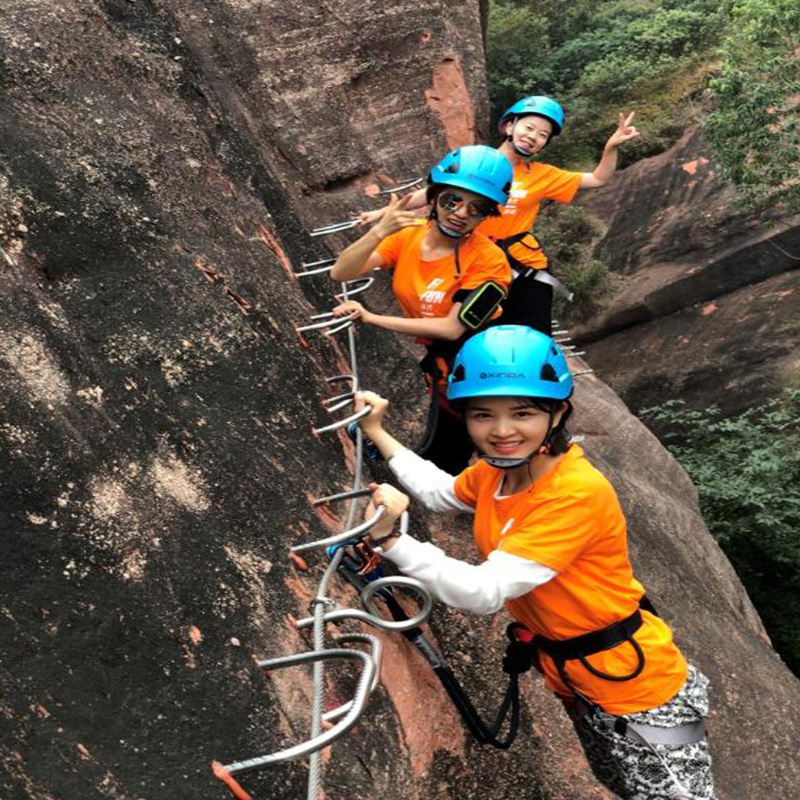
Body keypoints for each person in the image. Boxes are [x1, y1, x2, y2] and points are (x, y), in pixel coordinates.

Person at [353, 325, 717, 800]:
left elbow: (484, 593)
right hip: (579, 680)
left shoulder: (573, 493)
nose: (502, 432)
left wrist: (392, 541)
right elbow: (441, 493)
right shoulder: (496, 473)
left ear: (558, 411)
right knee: (620, 785)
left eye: (522, 412)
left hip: (641, 692)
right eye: (483, 414)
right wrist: (378, 432)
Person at [358, 97, 640, 334]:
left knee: (531, 337)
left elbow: (598, 179)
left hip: (522, 266)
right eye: (529, 127)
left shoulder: (543, 175)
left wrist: (611, 147)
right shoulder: (475, 161)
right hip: (473, 260)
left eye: (543, 135)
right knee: (477, 333)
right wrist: (382, 213)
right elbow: (433, 192)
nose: (533, 137)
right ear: (509, 125)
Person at [330, 145, 514, 473]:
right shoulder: (408, 236)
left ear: (488, 215)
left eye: (477, 208)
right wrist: (380, 231)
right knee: (448, 442)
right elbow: (341, 271)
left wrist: (371, 318)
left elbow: (452, 328)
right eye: (452, 200)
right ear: (434, 196)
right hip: (444, 359)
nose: (460, 214)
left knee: (478, 436)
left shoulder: (489, 260)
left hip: (486, 358)